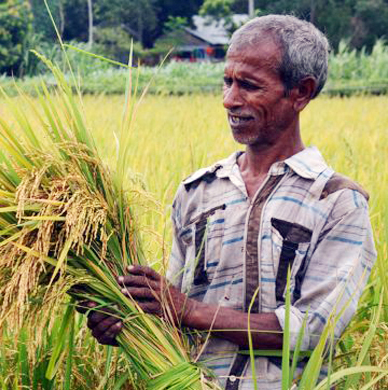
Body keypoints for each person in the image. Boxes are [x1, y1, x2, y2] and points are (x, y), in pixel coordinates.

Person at [81, 15, 376, 390]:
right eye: (227, 81)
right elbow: (173, 317)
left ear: (300, 92)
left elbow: (315, 331)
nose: (229, 100)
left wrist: (189, 310)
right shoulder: (198, 193)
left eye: (249, 86)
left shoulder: (336, 202)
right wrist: (127, 321)